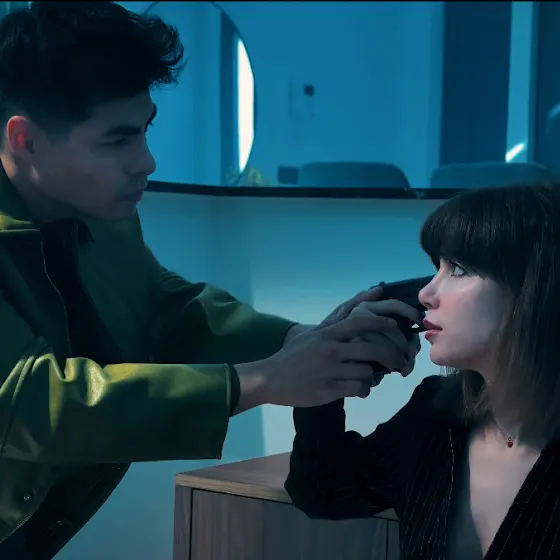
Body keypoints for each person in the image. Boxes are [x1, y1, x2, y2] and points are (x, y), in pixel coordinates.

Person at [0, 2, 424, 558]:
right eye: (116, 140)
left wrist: (307, 340)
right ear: (25, 140)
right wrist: (262, 380)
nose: (146, 161)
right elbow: (30, 401)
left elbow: (166, 306)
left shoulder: (101, 214)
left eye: (146, 131)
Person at [285, 182, 560, 560]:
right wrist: (328, 374)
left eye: (458, 269)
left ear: (536, 287)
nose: (426, 294)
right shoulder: (437, 414)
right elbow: (322, 492)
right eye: (437, 268)